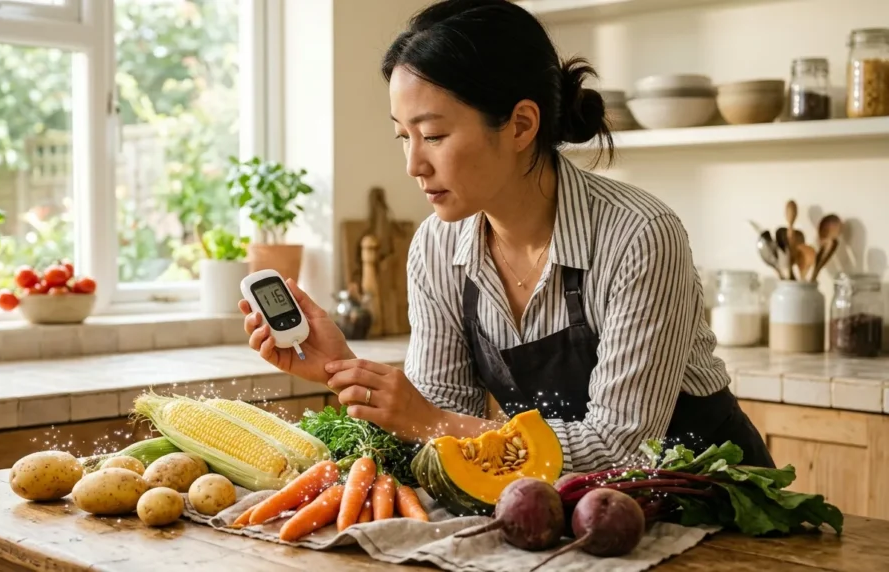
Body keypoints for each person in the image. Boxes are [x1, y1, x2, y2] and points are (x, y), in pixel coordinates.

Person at [239, 0, 775, 473]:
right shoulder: (437, 247)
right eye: (403, 136)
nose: (413, 165)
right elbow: (438, 427)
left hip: (708, 503)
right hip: (563, 506)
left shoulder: (639, 235)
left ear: (521, 125)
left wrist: (431, 420)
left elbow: (623, 449)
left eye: (434, 135)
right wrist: (341, 369)